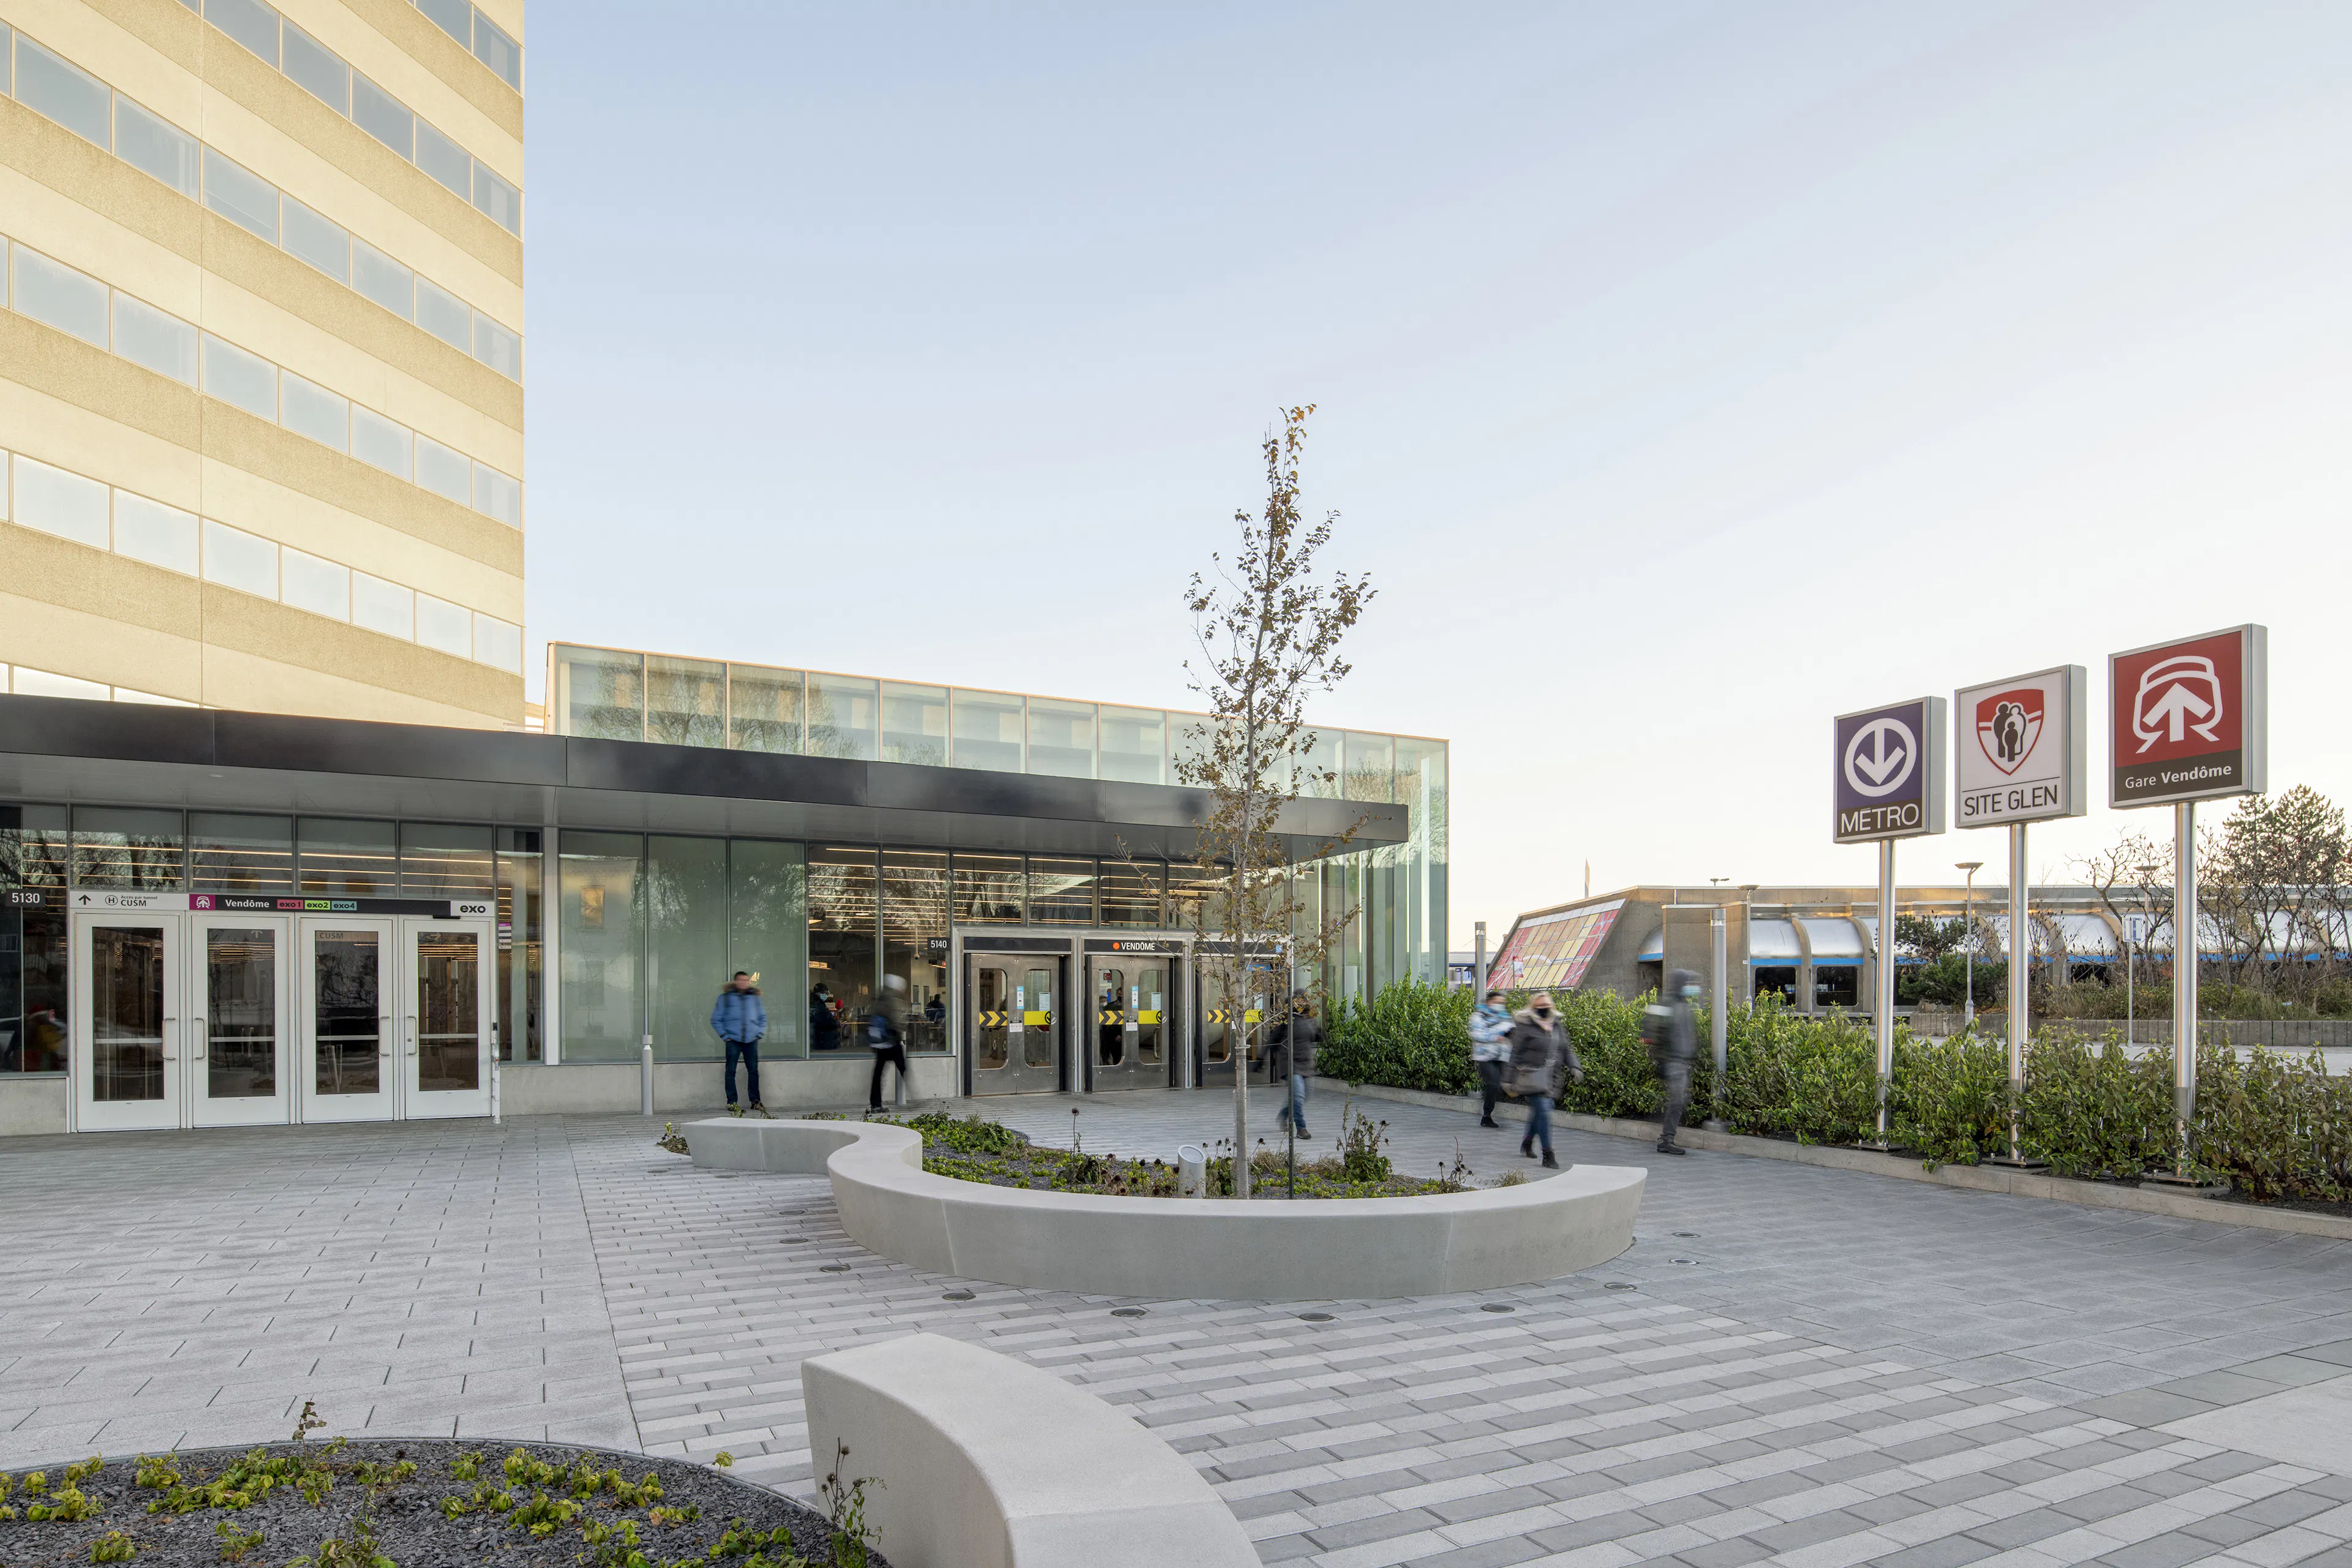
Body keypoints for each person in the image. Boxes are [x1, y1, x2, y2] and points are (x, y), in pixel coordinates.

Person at [1506, 990, 1583, 1169]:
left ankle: (1527, 1141)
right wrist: (1508, 1080)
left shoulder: (1557, 1025)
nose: (1543, 1009)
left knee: (1540, 1113)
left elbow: (1566, 1050)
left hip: (1553, 1078)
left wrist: (1575, 1067)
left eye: (1546, 1006)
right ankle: (1548, 1154)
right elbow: (1515, 1054)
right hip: (1532, 1076)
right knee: (1544, 1112)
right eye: (1539, 1006)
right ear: (1533, 1008)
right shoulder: (1526, 1026)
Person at [1643, 969, 1701, 1156]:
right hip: (1673, 1061)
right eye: (1688, 984)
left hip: (1683, 1061)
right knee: (1677, 1100)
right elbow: (1650, 1026)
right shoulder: (1667, 1003)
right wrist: (1660, 1056)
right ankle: (1667, 1140)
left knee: (1680, 1100)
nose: (1691, 988)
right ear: (1680, 984)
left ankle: (1667, 1138)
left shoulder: (1684, 1005)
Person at [710, 972, 767, 1111]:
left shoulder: (754, 998)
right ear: (736, 982)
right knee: (730, 1071)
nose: (744, 983)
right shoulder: (726, 999)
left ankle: (755, 1101)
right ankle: (732, 1102)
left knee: (753, 1071)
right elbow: (716, 1019)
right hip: (733, 1040)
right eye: (741, 980)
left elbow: (762, 1017)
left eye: (746, 980)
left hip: (751, 1040)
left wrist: (759, 1033)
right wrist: (725, 1036)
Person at [1272, 995, 1319, 1139]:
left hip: (1305, 1063)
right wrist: (1261, 1061)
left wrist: (1320, 1035)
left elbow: (1314, 1036)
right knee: (1298, 1097)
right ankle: (1301, 1128)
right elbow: (1273, 1040)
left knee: (1302, 1097)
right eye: (1301, 1000)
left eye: (1305, 1000)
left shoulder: (1309, 1019)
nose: (1304, 1003)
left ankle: (1284, 1114)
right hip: (1290, 1063)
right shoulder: (1287, 1020)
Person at [1470, 988, 1513, 1127]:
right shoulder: (1479, 1016)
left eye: (1502, 1003)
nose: (1500, 1005)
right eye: (1497, 1002)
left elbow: (1513, 1032)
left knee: (1498, 1085)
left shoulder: (1505, 1017)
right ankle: (1486, 1116)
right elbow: (1477, 1035)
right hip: (1485, 1056)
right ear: (1489, 1002)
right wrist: (1496, 1037)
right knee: (1493, 1083)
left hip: (1501, 1056)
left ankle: (1489, 1112)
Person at [867, 974, 910, 1113]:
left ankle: (875, 1104)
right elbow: (897, 1020)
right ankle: (915, 1096)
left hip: (879, 1042)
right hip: (892, 1040)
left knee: (878, 1073)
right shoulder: (894, 999)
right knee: (903, 1067)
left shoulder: (880, 998)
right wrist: (902, 1030)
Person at [809, 984, 842, 1052]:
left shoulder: (815, 1005)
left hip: (820, 1042)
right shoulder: (819, 1007)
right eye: (825, 993)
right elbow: (828, 1021)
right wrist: (838, 1023)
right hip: (824, 1043)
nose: (827, 995)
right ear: (818, 994)